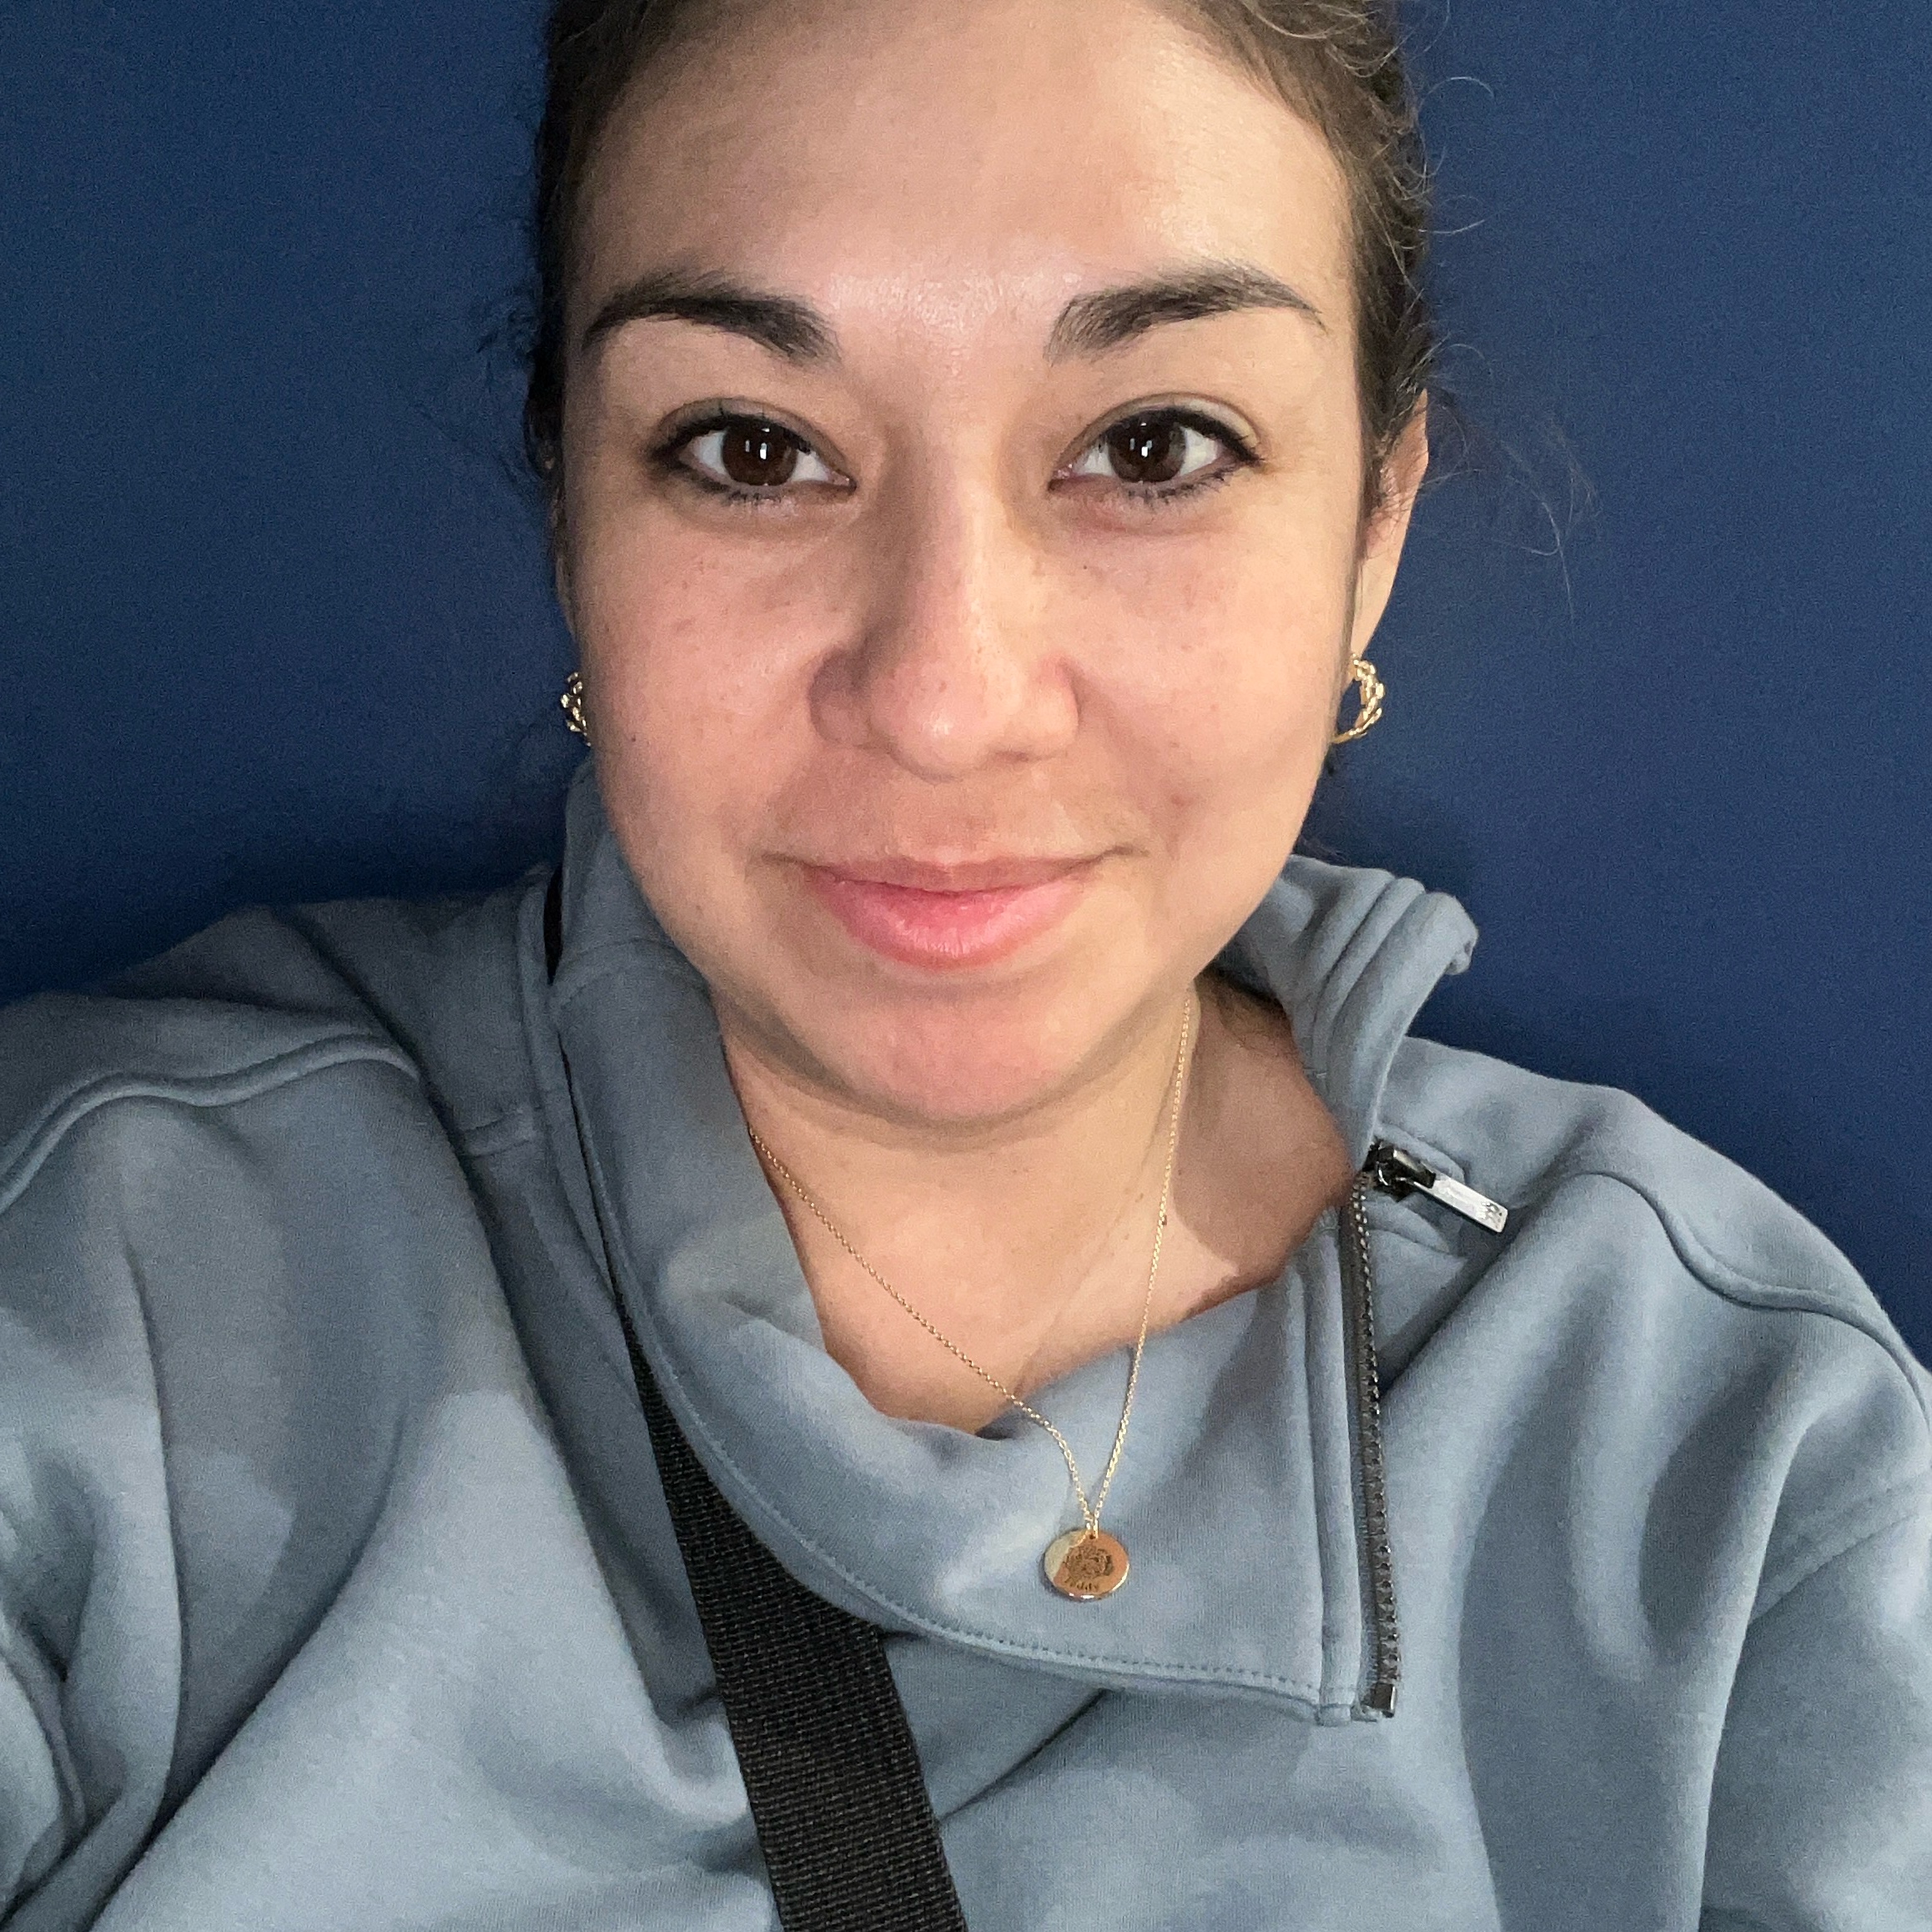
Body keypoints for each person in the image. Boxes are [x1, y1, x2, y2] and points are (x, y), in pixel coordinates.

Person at [2, 0, 1927, 1924]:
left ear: (1374, 531)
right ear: (575, 518)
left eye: (1154, 446)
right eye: (753, 449)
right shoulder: (111, 1287)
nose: (943, 698)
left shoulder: (1742, 1469)